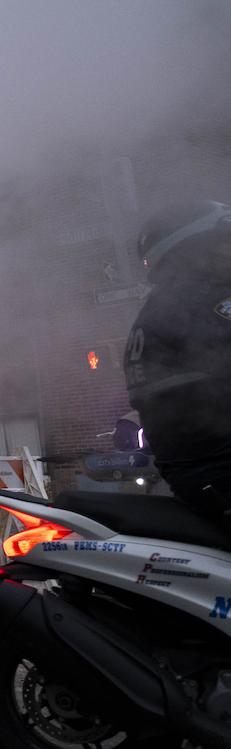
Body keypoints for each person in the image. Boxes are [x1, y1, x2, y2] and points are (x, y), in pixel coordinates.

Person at [124, 200, 231, 527]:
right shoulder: (206, 301)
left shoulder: (160, 308)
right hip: (221, 469)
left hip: (200, 474)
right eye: (224, 241)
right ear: (193, 249)